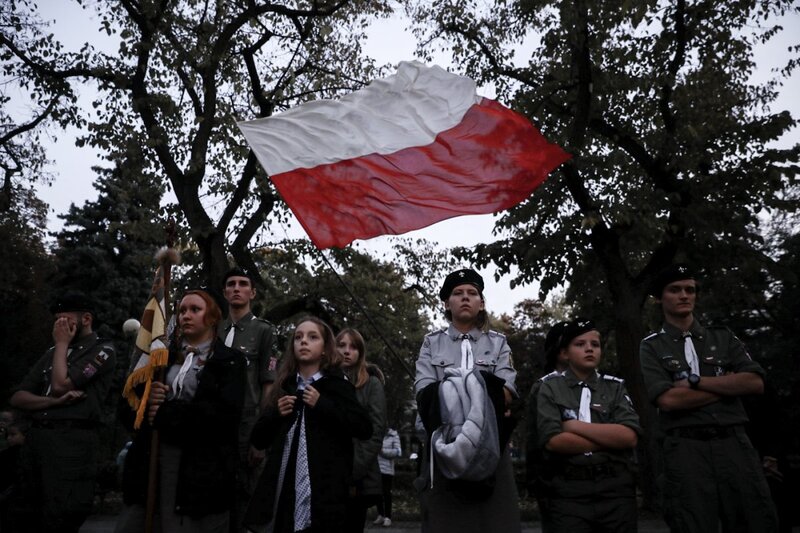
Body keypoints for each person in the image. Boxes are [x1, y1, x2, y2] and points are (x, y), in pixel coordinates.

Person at [639, 264, 778, 532]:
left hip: (733, 443)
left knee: (755, 520)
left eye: (690, 290)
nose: (684, 295)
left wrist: (696, 381)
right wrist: (727, 385)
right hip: (686, 448)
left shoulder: (723, 337)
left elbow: (755, 383)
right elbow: (668, 401)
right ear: (660, 298)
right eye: (675, 290)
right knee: (692, 523)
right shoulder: (652, 345)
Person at [115, 289, 247, 533]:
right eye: (182, 310)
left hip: (198, 468)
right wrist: (148, 399)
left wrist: (165, 413)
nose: (186, 315)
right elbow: (128, 409)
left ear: (213, 317)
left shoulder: (230, 362)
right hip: (152, 460)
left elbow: (222, 416)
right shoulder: (160, 359)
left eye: (195, 310)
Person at [414, 268, 521, 533]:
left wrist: (453, 386)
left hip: (491, 444)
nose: (465, 298)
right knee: (444, 523)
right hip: (443, 443)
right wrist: (480, 385)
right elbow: (424, 392)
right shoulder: (431, 343)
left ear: (481, 303)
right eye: (457, 293)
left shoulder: (498, 344)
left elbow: (506, 391)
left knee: (495, 522)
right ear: (446, 303)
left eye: (472, 293)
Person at [244, 317, 372, 533]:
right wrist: (276, 413)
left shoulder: (337, 386)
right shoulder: (285, 386)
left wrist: (322, 404)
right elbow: (258, 438)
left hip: (324, 492)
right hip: (284, 489)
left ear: (324, 349)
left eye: (313, 337)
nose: (303, 341)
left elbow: (363, 428)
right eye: (298, 337)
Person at [10, 290, 116, 533]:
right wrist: (51, 404)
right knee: (22, 514)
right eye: (56, 320)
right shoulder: (51, 353)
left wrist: (61, 344)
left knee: (58, 516)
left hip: (71, 443)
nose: (58, 326)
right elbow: (18, 396)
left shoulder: (102, 351)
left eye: (64, 319)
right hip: (37, 440)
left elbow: (60, 385)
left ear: (86, 319)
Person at [536, 319, 641, 532]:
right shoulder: (549, 388)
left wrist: (575, 427)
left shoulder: (614, 387)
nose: (589, 349)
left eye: (595, 344)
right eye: (580, 344)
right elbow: (554, 441)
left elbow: (628, 437)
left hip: (614, 488)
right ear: (565, 353)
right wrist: (608, 438)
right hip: (569, 489)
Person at [217, 266, 279, 532]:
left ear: (252, 292)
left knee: (248, 495)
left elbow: (269, 384)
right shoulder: (214, 329)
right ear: (224, 292)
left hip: (247, 423)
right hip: (216, 424)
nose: (236, 288)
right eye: (231, 284)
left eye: (243, 284)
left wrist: (261, 436)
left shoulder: (264, 331)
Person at [335, 328, 387, 533]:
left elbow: (376, 432)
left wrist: (352, 470)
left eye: (353, 347)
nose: (347, 351)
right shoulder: (322, 381)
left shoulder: (371, 385)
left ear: (360, 352)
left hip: (356, 479)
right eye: (341, 345)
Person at [524, 321, 569, 529]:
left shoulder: (605, 386)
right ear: (560, 352)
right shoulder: (543, 388)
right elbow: (534, 439)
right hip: (556, 480)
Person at [374, 427, 402, 527]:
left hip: (387, 470)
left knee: (386, 493)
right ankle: (380, 514)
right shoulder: (377, 435)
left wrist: (382, 451)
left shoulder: (394, 435)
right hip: (376, 468)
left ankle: (388, 517)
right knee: (377, 493)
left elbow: (398, 452)